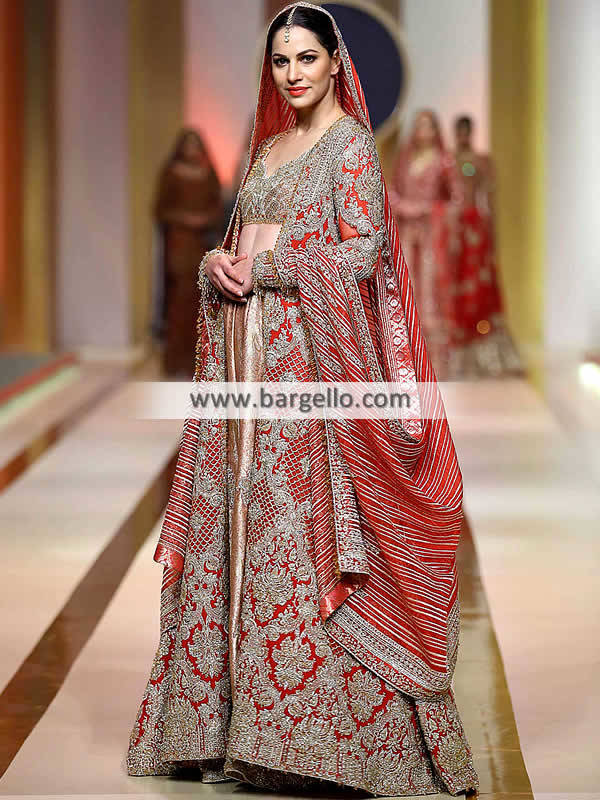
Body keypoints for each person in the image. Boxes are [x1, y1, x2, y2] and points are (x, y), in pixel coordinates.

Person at [126, 4, 480, 797]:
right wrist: (217, 265)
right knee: (239, 527)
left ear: (333, 62)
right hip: (246, 372)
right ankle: (230, 731)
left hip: (306, 374)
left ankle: (308, 737)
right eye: (281, 60)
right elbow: (237, 238)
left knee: (295, 531)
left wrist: (276, 266)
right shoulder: (268, 148)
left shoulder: (349, 144)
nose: (293, 73)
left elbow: (365, 250)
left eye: (306, 59)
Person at [447, 115, 523, 378]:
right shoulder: (446, 162)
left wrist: (491, 235)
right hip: (452, 230)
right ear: (454, 132)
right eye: (460, 132)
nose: (463, 137)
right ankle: (455, 348)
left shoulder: (480, 162)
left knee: (479, 286)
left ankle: (483, 349)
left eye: (467, 132)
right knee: (452, 286)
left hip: (474, 230)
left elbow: (488, 199)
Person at [388, 110, 458, 380]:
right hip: (406, 231)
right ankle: (405, 358)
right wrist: (404, 207)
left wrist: (430, 209)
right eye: (419, 125)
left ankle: (436, 361)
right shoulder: (405, 159)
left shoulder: (443, 161)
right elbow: (391, 190)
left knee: (431, 289)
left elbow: (456, 200)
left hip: (431, 234)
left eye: (428, 125)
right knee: (405, 286)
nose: (423, 130)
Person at [151, 128, 224, 377]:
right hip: (179, 244)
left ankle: (199, 365)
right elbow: (160, 210)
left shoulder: (208, 173)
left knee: (200, 301)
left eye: (196, 144)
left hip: (201, 246)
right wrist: (185, 219)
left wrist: (204, 220)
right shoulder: (171, 174)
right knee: (178, 302)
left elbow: (218, 208)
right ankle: (174, 363)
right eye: (188, 144)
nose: (192, 150)